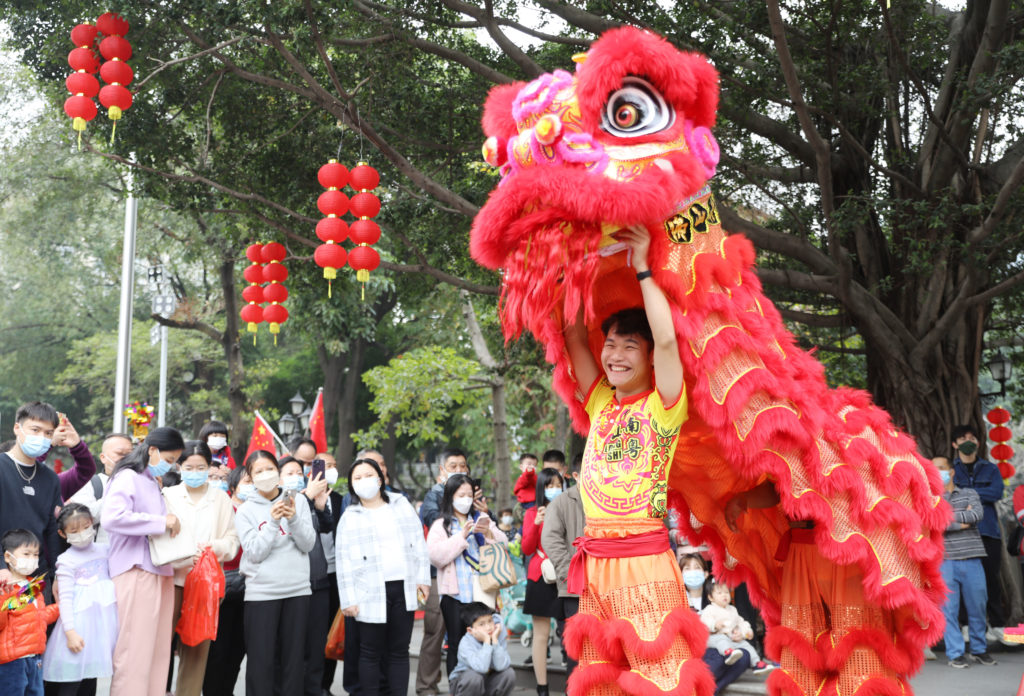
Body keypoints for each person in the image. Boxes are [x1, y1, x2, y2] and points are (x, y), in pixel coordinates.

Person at [561, 225, 712, 692]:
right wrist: (568, 264)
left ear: (648, 358)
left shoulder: (664, 404)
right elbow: (571, 335)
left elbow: (668, 343)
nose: (616, 354)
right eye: (611, 343)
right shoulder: (600, 400)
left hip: (645, 564)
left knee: (660, 681)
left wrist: (643, 264)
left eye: (630, 346)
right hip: (596, 569)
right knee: (601, 682)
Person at [101, 426, 184, 696]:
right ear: (152, 450)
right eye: (169, 459)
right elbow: (112, 518)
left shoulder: (150, 479)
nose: (171, 466)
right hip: (136, 571)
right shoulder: (127, 476)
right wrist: (162, 522)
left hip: (159, 571)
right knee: (134, 652)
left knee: (159, 653)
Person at [336, 457, 430, 696]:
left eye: (368, 475)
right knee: (370, 651)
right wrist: (348, 599)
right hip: (368, 590)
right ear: (351, 486)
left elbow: (418, 544)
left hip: (403, 587)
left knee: (400, 650)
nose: (363, 481)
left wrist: (423, 581)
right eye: (357, 478)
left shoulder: (400, 505)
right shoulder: (350, 516)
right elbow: (343, 560)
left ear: (380, 479)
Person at [234, 449, 316, 696]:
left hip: (297, 590)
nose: (265, 475)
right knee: (261, 662)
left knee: (293, 661)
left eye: (269, 469)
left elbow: (308, 544)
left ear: (278, 472)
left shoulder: (297, 500)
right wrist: (272, 523)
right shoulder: (246, 510)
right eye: (258, 471)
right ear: (250, 476)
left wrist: (292, 520)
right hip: (262, 594)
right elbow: (255, 552)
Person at [163, 441, 239, 696]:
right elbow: (157, 541)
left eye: (201, 467)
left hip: (206, 585)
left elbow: (231, 541)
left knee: (197, 649)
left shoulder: (221, 499)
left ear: (210, 467)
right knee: (161, 646)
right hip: (170, 581)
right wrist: (185, 556)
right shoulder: (168, 496)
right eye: (189, 467)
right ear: (179, 466)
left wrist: (211, 548)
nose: (195, 472)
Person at [426, 473, 507, 676]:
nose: (466, 499)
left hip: (482, 592)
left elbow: (503, 543)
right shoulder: (441, 525)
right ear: (450, 496)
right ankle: (458, 685)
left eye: (469, 494)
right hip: (454, 595)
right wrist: (461, 537)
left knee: (485, 640)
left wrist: (488, 533)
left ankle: (484, 686)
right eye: (461, 494)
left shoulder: (481, 519)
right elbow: (436, 556)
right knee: (456, 642)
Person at [41, 504, 118, 696]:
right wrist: (70, 632)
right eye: (74, 531)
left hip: (102, 627)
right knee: (71, 679)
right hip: (77, 627)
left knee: (91, 677)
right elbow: (65, 600)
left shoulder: (105, 550)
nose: (82, 533)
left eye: (85, 527)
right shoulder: (66, 560)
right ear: (62, 534)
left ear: (92, 523)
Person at [415, 447, 469, 696]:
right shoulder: (434, 496)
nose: (458, 470)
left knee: (467, 632)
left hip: (468, 576)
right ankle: (427, 686)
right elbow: (437, 525)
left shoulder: (470, 497)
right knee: (435, 632)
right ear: (442, 470)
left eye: (462, 466)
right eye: (453, 466)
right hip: (439, 574)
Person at [279, 456, 333, 696]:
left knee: (315, 651)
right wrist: (306, 498)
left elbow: (325, 527)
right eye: (288, 472)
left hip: (318, 583)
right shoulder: (279, 502)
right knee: (291, 651)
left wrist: (319, 507)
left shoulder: (309, 501)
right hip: (291, 586)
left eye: (298, 471)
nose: (295, 476)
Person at [934, 456, 995, 667]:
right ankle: (955, 653)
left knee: (978, 607)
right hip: (945, 561)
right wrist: (961, 523)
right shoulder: (929, 499)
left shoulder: (969, 492)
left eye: (940, 468)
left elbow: (977, 515)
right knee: (949, 610)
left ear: (951, 472)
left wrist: (946, 519)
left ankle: (979, 649)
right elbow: (932, 523)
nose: (936, 472)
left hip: (972, 559)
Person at [950, 424, 1006, 636]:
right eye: (963, 438)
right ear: (955, 444)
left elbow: (996, 492)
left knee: (991, 578)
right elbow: (949, 496)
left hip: (988, 532)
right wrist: (975, 495)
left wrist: (967, 494)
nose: (968, 442)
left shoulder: (990, 469)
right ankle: (965, 625)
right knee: (962, 580)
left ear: (978, 443)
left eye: (972, 438)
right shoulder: (951, 471)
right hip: (961, 535)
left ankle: (997, 624)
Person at [0, 403, 65, 587]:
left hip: (36, 576)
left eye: (48, 433)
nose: (42, 438)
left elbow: (53, 531)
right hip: (4, 573)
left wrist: (57, 575)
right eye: (35, 430)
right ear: (17, 428)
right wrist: (1, 566)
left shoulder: (51, 478)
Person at [202, 465, 249, 696]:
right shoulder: (221, 509)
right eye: (246, 481)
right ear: (234, 486)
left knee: (237, 651)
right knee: (217, 652)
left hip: (250, 590)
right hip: (221, 587)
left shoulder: (259, 510)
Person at [541, 454, 585, 682]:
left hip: (608, 587)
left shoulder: (612, 500)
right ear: (576, 475)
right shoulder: (561, 502)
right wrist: (571, 572)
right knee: (577, 652)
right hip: (575, 590)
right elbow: (551, 539)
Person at [521, 467, 564, 696]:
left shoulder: (569, 509)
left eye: (557, 485)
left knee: (569, 631)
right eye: (549, 486)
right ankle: (542, 687)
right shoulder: (531, 513)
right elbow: (526, 548)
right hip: (540, 576)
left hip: (565, 576)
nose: (553, 489)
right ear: (541, 489)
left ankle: (574, 682)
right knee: (541, 634)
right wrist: (536, 522)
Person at [0, 529, 60, 695]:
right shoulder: (4, 588)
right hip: (12, 662)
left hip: (35, 658)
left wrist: (60, 607)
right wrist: (3, 596)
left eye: (35, 555)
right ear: (7, 557)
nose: (32, 559)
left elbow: (39, 616)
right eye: (26, 554)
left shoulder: (32, 587)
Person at [67, 434, 134, 542]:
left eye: (130, 454)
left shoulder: (141, 483)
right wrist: (117, 492)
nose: (126, 458)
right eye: (120, 453)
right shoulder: (89, 484)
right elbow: (83, 519)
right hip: (101, 554)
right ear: (103, 458)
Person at [700, 581, 772, 673]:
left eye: (726, 592)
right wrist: (714, 624)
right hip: (714, 638)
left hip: (731, 639)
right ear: (711, 597)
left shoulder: (732, 609)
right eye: (719, 593)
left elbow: (740, 622)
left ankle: (756, 663)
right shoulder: (709, 609)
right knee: (721, 639)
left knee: (746, 645)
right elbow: (704, 622)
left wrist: (746, 631)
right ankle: (728, 653)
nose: (724, 595)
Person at [447, 602, 516, 696]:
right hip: (464, 683)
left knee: (509, 674)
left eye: (490, 621)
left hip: (485, 680)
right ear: (470, 630)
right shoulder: (466, 643)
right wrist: (487, 641)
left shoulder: (497, 633)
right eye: (481, 624)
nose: (488, 627)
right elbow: (481, 668)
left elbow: (501, 666)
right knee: (474, 677)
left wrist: (495, 641)